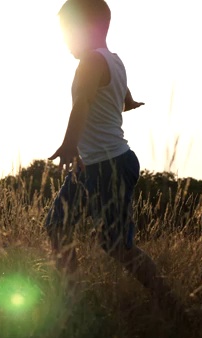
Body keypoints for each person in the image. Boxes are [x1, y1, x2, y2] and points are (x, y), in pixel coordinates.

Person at [45, 0, 179, 312]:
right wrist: (127, 101)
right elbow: (121, 93)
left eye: (68, 31)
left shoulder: (91, 62)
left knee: (116, 245)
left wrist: (69, 144)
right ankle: (72, 300)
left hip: (110, 165)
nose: (65, 40)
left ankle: (170, 304)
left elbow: (81, 104)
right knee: (57, 225)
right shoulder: (113, 60)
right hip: (93, 164)